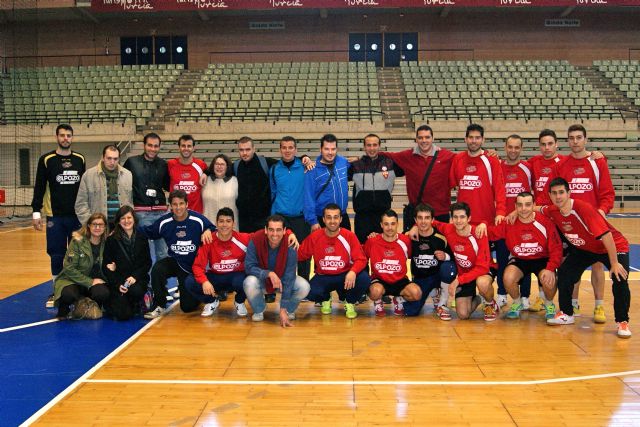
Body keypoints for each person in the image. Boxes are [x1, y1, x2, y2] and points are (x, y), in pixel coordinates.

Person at [542, 178, 631, 338]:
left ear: (569, 193)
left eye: (561, 192)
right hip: (586, 248)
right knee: (564, 272)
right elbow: (537, 209)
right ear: (550, 195)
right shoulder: (553, 210)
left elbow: (607, 236)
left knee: (619, 277)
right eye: (554, 193)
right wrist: (514, 213)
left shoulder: (583, 209)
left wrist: (614, 263)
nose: (558, 196)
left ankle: (622, 322)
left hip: (613, 246)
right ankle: (567, 314)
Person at [546, 124, 613, 323]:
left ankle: (599, 306)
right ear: (567, 141)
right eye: (571, 138)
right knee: (571, 265)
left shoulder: (597, 162)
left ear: (585, 139)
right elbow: (552, 193)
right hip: (570, 226)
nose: (575, 141)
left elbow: (607, 193)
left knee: (598, 266)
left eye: (578, 138)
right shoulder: (561, 165)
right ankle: (572, 305)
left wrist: (601, 212)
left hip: (593, 225)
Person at [481, 192, 562, 321]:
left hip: (541, 259)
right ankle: (517, 303)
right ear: (515, 206)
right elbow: (489, 233)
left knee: (549, 279)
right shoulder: (509, 223)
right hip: (520, 259)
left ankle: (549, 304)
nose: (523, 209)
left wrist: (551, 268)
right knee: (507, 277)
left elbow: (557, 249)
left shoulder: (545, 222)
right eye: (520, 205)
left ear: (534, 205)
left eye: (528, 205)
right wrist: (483, 224)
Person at [31, 124, 86, 308]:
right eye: (62, 135)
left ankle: (77, 290)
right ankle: (57, 289)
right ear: (57, 137)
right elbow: (39, 186)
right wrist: (36, 211)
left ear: (72, 138)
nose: (65, 138)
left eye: (68, 135)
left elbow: (84, 188)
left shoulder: (80, 159)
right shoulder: (46, 160)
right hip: (55, 217)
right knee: (56, 254)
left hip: (77, 217)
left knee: (78, 254)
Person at [140, 190, 216, 319]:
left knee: (187, 307)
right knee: (158, 268)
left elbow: (214, 229)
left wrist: (208, 230)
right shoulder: (164, 222)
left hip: (192, 266)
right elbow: (148, 232)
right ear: (170, 206)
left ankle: (199, 293)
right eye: (175, 204)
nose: (178, 207)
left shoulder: (197, 219)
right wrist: (124, 228)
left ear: (187, 204)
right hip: (175, 261)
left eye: (181, 203)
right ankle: (160, 304)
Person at [298, 204, 370, 319]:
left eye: (336, 217)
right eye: (329, 217)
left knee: (364, 279)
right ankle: (326, 298)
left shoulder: (349, 236)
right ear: (323, 219)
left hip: (344, 276)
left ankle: (349, 301)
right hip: (323, 276)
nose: (332, 221)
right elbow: (300, 255)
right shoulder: (315, 236)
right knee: (307, 291)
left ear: (341, 219)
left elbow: (361, 259)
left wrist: (353, 272)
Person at [378, 125, 456, 228]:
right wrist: (359, 159)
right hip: (417, 214)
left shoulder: (447, 156)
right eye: (420, 138)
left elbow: (466, 159)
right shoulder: (407, 156)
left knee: (440, 243)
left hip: (440, 213)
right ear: (416, 139)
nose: (424, 140)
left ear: (433, 138)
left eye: (427, 137)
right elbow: (383, 155)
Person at [433, 202, 499, 321]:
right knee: (463, 315)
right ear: (451, 218)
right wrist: (416, 227)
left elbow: (482, 268)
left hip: (483, 271)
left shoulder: (478, 234)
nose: (458, 221)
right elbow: (432, 223)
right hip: (466, 274)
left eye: (462, 217)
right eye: (455, 217)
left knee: (482, 283)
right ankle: (478, 298)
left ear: (469, 218)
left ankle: (489, 303)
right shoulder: (448, 229)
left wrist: (458, 280)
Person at [243, 215, 310, 327]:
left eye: (278, 230)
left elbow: (289, 278)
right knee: (249, 282)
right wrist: (268, 273)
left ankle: (288, 310)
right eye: (271, 230)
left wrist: (283, 308)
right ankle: (260, 309)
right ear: (265, 230)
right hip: (262, 280)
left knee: (304, 286)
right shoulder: (255, 240)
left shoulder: (290, 246)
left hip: (283, 281)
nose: (274, 234)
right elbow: (249, 266)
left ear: (284, 231)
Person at [184, 207, 249, 318]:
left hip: (236, 277)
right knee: (190, 282)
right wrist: (204, 281)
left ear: (233, 223)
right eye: (221, 221)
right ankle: (212, 301)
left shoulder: (244, 238)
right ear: (216, 223)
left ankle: (239, 301)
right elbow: (197, 266)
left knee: (249, 279)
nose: (224, 225)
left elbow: (264, 236)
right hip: (215, 277)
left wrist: (288, 232)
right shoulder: (209, 239)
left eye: (228, 221)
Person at [496, 134, 533, 308]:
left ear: (521, 148)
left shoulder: (528, 168)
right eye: (510, 147)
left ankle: (525, 296)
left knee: (524, 259)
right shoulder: (497, 166)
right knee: (503, 260)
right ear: (505, 147)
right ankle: (502, 293)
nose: (513, 150)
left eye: (516, 147)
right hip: (503, 224)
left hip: (523, 223)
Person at [403, 204, 457, 320]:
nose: (423, 222)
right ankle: (432, 292)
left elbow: (455, 258)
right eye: (420, 218)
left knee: (448, 268)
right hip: (421, 279)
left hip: (438, 276)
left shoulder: (441, 238)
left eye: (427, 218)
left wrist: (445, 256)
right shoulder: (408, 237)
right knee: (410, 311)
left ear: (432, 220)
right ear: (415, 220)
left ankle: (442, 303)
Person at [364, 210, 421, 317]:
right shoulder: (372, 241)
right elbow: (362, 259)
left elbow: (412, 256)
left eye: (393, 224)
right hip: (379, 280)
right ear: (381, 225)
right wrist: (365, 278)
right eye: (386, 224)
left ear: (397, 224)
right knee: (375, 292)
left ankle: (398, 298)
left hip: (400, 280)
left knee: (416, 293)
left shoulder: (405, 241)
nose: (390, 228)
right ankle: (378, 300)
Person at [123, 132, 169, 261]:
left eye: (156, 146)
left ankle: (161, 281)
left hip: (160, 213)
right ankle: (146, 281)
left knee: (162, 252)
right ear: (144, 145)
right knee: (144, 253)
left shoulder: (163, 164)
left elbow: (167, 186)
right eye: (150, 145)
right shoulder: (131, 162)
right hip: (141, 212)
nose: (153, 149)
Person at [53, 213, 110, 319]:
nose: (97, 228)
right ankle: (64, 307)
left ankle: (90, 305)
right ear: (88, 225)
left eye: (101, 225)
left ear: (105, 227)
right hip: (72, 280)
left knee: (102, 293)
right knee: (68, 294)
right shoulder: (77, 241)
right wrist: (89, 282)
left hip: (95, 281)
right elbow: (69, 268)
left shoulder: (108, 242)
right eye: (94, 224)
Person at [450, 123, 506, 227]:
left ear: (483, 140)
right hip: (462, 221)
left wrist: (500, 212)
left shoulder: (492, 160)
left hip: (485, 221)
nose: (474, 141)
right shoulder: (458, 159)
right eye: (471, 137)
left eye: (477, 138)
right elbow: (451, 184)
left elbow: (500, 189)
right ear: (465, 139)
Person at [349, 134, 402, 243]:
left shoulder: (390, 164)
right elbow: (333, 164)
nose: (372, 148)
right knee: (363, 251)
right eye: (369, 145)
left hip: (383, 217)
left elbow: (410, 162)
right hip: (362, 218)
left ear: (379, 146)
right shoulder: (355, 165)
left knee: (382, 252)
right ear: (364, 147)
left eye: (375, 145)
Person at [102, 206, 151, 320]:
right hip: (119, 281)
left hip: (137, 280)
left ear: (134, 219)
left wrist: (135, 276)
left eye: (129, 217)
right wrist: (118, 284)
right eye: (123, 218)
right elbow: (106, 266)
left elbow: (147, 263)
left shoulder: (142, 237)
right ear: (118, 221)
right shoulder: (111, 240)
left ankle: (142, 296)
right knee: (123, 315)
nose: (126, 221)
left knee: (136, 291)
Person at [75, 144, 133, 228]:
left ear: (119, 159)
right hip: (98, 227)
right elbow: (81, 204)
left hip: (121, 225)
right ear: (102, 157)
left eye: (115, 159)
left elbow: (130, 202)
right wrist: (90, 223)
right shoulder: (88, 175)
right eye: (109, 158)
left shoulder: (128, 175)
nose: (112, 162)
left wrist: (127, 222)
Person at [304, 134, 352, 231]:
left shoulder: (342, 162)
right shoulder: (312, 170)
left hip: (342, 216)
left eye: (333, 149)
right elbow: (308, 198)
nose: (330, 152)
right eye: (326, 149)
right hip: (323, 218)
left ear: (337, 149)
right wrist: (313, 221)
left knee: (346, 245)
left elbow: (353, 163)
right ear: (320, 149)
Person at [168, 134, 207, 213]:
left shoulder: (201, 165)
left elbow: (211, 171)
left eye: (189, 146)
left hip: (196, 213)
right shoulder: (170, 164)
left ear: (193, 148)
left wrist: (206, 173)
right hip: (176, 214)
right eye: (183, 146)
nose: (186, 149)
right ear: (179, 147)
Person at [202, 153, 238, 228]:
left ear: (227, 167)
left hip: (229, 227)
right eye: (217, 164)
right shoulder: (205, 181)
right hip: (209, 227)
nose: (219, 167)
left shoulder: (235, 181)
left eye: (222, 164)